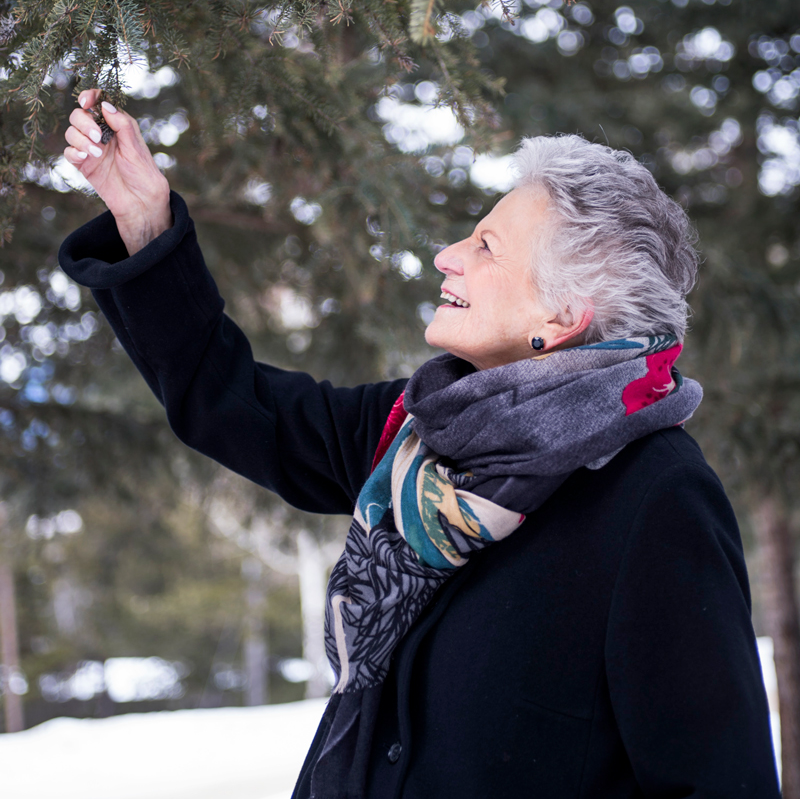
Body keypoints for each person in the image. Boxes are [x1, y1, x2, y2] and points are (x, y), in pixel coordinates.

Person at [59, 89, 779, 799]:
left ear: (561, 314)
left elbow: (714, 779)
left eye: (486, 246)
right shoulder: (418, 428)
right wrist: (147, 224)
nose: (447, 255)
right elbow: (232, 401)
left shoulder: (655, 498)